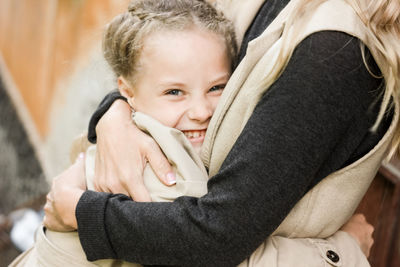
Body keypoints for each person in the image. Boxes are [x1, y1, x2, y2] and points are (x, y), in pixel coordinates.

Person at [43, 0, 400, 266]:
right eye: (175, 93)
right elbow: (164, 55)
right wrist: (116, 111)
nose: (201, 112)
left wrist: (84, 212)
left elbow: (215, 237)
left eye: (218, 88)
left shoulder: (335, 51)